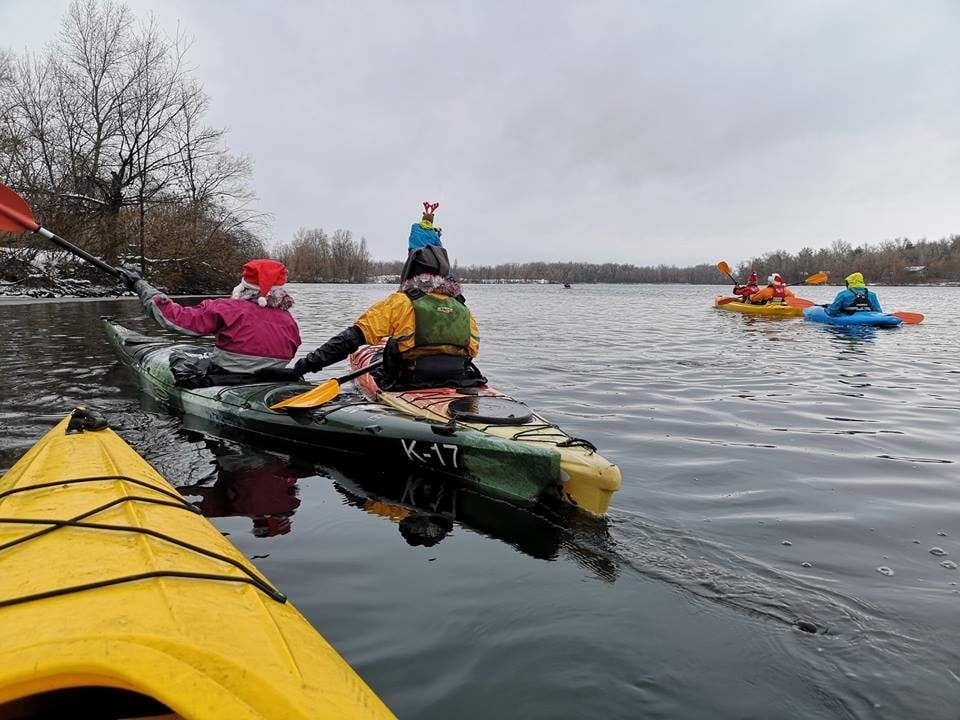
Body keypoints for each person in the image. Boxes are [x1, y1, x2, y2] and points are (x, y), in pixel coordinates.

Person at [292, 244, 480, 389]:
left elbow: (351, 339)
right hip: (457, 378)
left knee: (390, 349)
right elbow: (472, 350)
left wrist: (305, 365)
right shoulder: (463, 307)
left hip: (408, 380)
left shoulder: (401, 302)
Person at [118, 259, 301, 374]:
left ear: (244, 287)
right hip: (273, 375)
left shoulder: (227, 308)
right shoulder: (288, 320)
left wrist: (140, 286)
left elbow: (176, 319)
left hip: (229, 374)